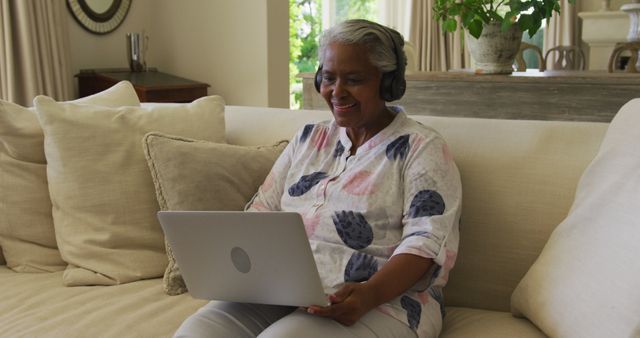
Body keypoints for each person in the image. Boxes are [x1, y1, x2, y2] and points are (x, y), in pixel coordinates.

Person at [174, 19, 462, 338]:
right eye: (328, 78)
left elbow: (425, 243)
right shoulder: (309, 139)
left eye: (354, 79)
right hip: (282, 293)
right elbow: (261, 212)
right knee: (197, 333)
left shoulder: (422, 149)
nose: (337, 92)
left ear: (388, 83)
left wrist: (369, 294)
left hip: (386, 303)